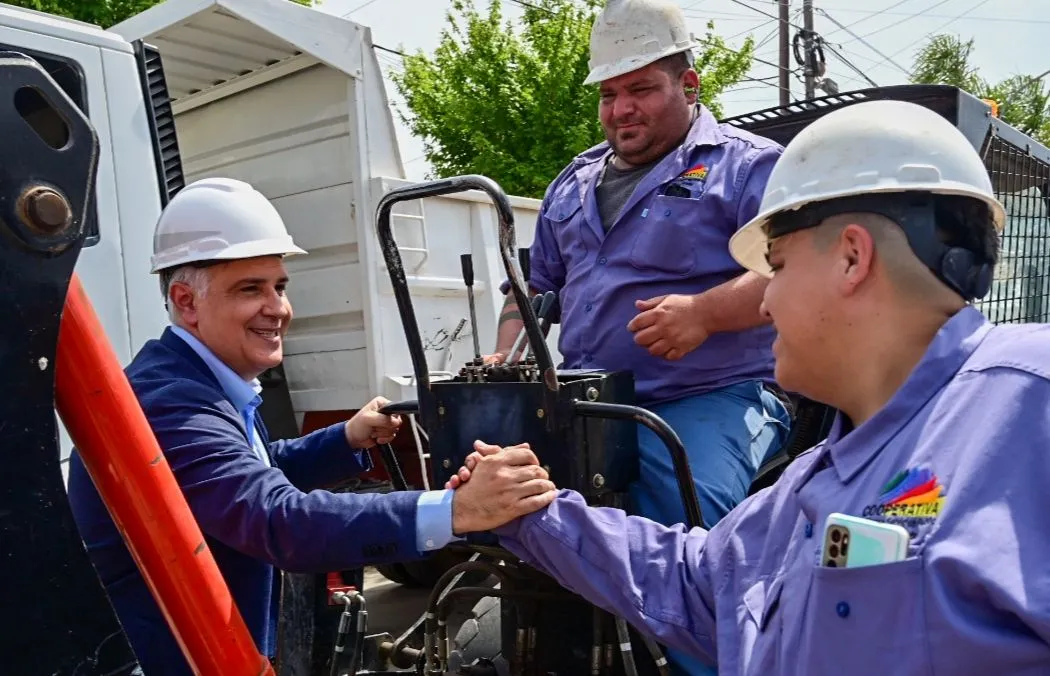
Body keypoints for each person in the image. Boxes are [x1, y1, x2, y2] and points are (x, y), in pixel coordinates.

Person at [447, 99, 1050, 674]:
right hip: (609, 405)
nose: (765, 300)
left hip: (709, 399)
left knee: (678, 481)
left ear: (852, 257)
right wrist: (529, 515)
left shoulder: (1030, 403)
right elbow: (700, 581)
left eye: (776, 266)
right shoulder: (816, 479)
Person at [66, 177, 554, 675]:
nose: (278, 308)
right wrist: (458, 509)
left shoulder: (197, 381)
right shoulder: (170, 403)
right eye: (250, 289)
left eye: (279, 286)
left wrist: (346, 438)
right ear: (186, 301)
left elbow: (255, 467)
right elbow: (277, 520)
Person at [493, 0, 790, 535]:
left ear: (689, 84)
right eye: (609, 94)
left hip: (713, 398)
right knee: (499, 498)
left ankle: (701, 589)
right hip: (582, 403)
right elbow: (532, 290)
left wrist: (705, 313)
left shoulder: (749, 168)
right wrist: (507, 356)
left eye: (641, 89)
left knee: (680, 517)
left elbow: (794, 272)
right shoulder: (571, 183)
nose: (621, 108)